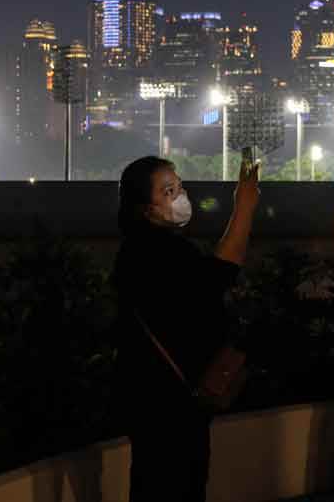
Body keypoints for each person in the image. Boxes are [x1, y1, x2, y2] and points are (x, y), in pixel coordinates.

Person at [111, 156, 259, 502]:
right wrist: (245, 207)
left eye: (179, 187)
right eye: (168, 191)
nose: (180, 196)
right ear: (146, 209)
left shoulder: (143, 247)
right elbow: (220, 273)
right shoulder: (153, 251)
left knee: (159, 481)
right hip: (167, 402)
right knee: (174, 483)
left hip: (158, 397)